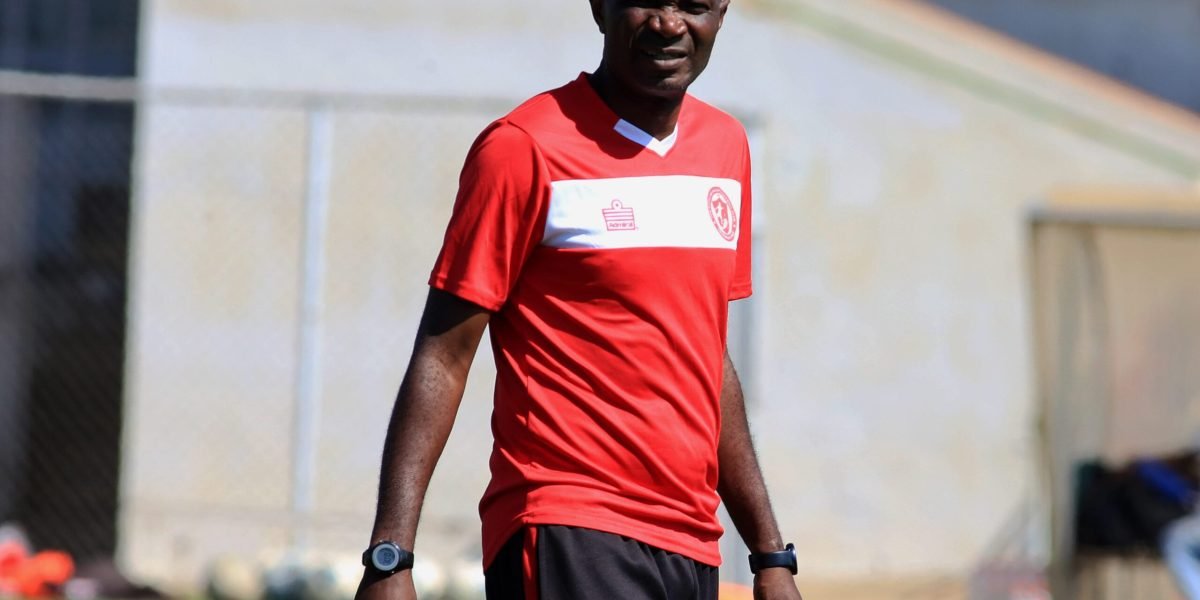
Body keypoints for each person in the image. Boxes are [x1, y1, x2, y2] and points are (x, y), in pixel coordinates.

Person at [356, 1, 803, 598]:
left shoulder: (726, 150)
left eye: (692, 5)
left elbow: (704, 355)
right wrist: (391, 556)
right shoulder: (522, 148)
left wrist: (769, 553)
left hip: (693, 544)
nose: (669, 25)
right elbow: (444, 354)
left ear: (721, 13)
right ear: (600, 5)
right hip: (568, 523)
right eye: (649, 0)